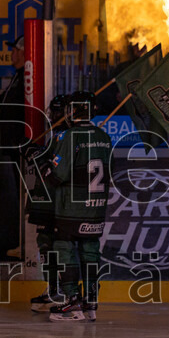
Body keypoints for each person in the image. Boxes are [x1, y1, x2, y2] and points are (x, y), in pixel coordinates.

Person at [39, 91, 111, 322]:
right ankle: (91, 304)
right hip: (96, 208)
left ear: (73, 111)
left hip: (71, 207)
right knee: (90, 251)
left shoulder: (70, 136)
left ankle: (72, 303)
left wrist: (43, 163)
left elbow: (57, 175)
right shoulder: (104, 136)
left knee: (63, 247)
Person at [24, 94, 67, 311]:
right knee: (46, 244)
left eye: (59, 111)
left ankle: (68, 293)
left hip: (61, 202)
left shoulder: (70, 136)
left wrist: (39, 156)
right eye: (54, 111)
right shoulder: (57, 136)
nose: (54, 116)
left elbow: (57, 170)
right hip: (46, 200)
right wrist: (36, 151)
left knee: (61, 247)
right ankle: (53, 289)